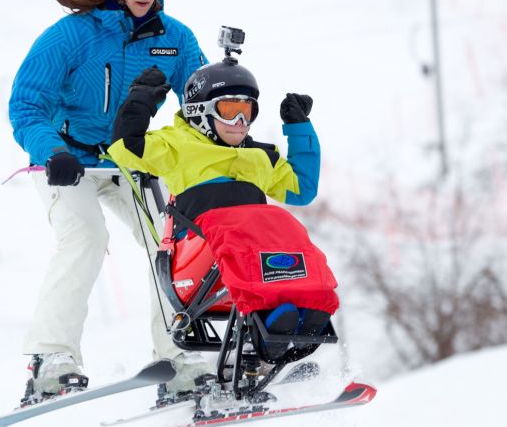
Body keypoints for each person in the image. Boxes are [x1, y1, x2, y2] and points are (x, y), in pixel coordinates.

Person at [8, 0, 210, 404]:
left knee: (174, 240)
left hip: (130, 158)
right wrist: (49, 151)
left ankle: (179, 354)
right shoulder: (72, 36)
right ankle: (51, 359)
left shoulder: (175, 40)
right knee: (86, 237)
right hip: (67, 159)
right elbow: (26, 104)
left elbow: (200, 104)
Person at [107, 55, 340, 348]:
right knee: (244, 229)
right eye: (230, 110)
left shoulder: (259, 156)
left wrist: (298, 128)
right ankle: (274, 323)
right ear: (200, 112)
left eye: (247, 112)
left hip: (246, 257)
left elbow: (302, 189)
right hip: (195, 259)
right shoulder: (178, 146)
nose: (241, 122)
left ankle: (300, 311)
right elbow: (124, 148)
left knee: (288, 227)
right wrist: (141, 99)